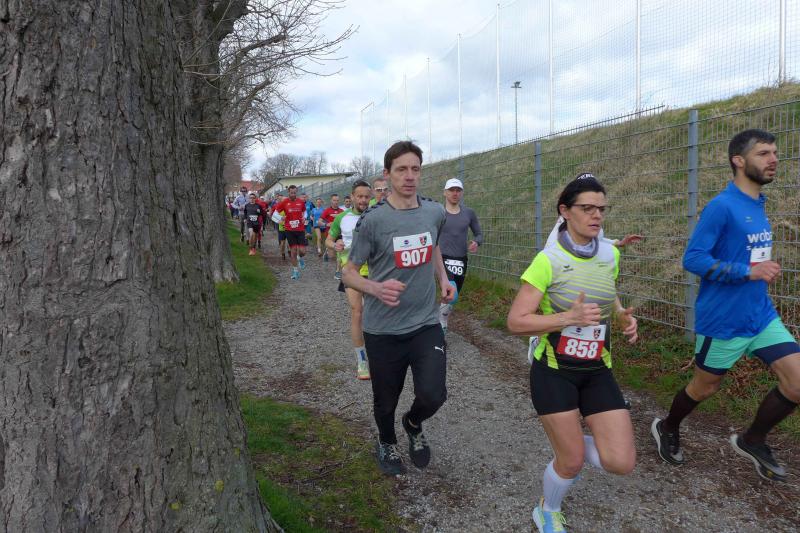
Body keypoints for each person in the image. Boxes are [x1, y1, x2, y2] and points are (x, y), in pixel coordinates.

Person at [651, 129, 800, 482]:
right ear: (739, 160)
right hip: (723, 321)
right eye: (763, 153)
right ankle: (668, 426)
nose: (774, 159)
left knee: (797, 382)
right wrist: (747, 271)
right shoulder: (721, 206)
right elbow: (693, 258)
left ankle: (753, 440)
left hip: (760, 316)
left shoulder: (758, 204)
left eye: (774, 152)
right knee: (704, 387)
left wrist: (760, 269)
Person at [506, 174, 638, 533]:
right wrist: (567, 318)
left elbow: (606, 291)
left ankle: (569, 444)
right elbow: (516, 322)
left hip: (597, 369)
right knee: (571, 462)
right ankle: (548, 509)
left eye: (601, 209)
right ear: (565, 211)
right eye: (587, 208)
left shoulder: (610, 254)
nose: (596, 216)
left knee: (621, 462)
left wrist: (621, 315)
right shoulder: (547, 260)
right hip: (554, 371)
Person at [343, 141, 455, 476]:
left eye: (415, 169)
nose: (409, 176)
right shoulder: (373, 221)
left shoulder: (434, 212)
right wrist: (374, 287)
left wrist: (443, 278)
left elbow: (433, 244)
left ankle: (413, 423)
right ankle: (387, 441)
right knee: (385, 400)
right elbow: (349, 272)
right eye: (401, 169)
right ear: (387, 174)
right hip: (383, 330)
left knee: (434, 394)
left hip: (425, 323)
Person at [327, 180, 373, 380]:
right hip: (351, 272)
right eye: (359, 196)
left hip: (375, 271)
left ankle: (379, 353)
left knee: (375, 315)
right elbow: (329, 239)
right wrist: (334, 245)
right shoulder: (342, 218)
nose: (363, 200)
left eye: (366, 196)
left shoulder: (376, 214)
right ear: (352, 197)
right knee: (357, 312)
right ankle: (362, 360)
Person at [438, 177, 483, 335]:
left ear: (462, 193)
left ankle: (441, 317)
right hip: (441, 258)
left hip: (460, 259)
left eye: (458, 190)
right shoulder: (438, 212)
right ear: (445, 192)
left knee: (453, 296)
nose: (455, 193)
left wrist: (476, 242)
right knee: (451, 292)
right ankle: (441, 324)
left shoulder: (468, 213)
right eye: (451, 190)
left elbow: (479, 234)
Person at [273, 185, 308, 279]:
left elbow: (305, 212)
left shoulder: (300, 201)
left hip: (300, 229)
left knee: (302, 251)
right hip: (289, 229)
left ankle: (300, 258)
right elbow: (275, 213)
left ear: (296, 192)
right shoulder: (284, 202)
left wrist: (304, 217)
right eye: (291, 193)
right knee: (293, 250)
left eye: (294, 193)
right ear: (288, 192)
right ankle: (295, 271)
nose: (293, 194)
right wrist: (281, 218)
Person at [320, 194, 344, 275]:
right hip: (330, 234)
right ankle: (327, 252)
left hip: (340, 234)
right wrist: (326, 224)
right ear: (331, 201)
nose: (336, 202)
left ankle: (337, 272)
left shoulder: (342, 211)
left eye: (337, 200)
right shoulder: (327, 210)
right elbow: (319, 222)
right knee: (332, 256)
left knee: (340, 251)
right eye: (334, 200)